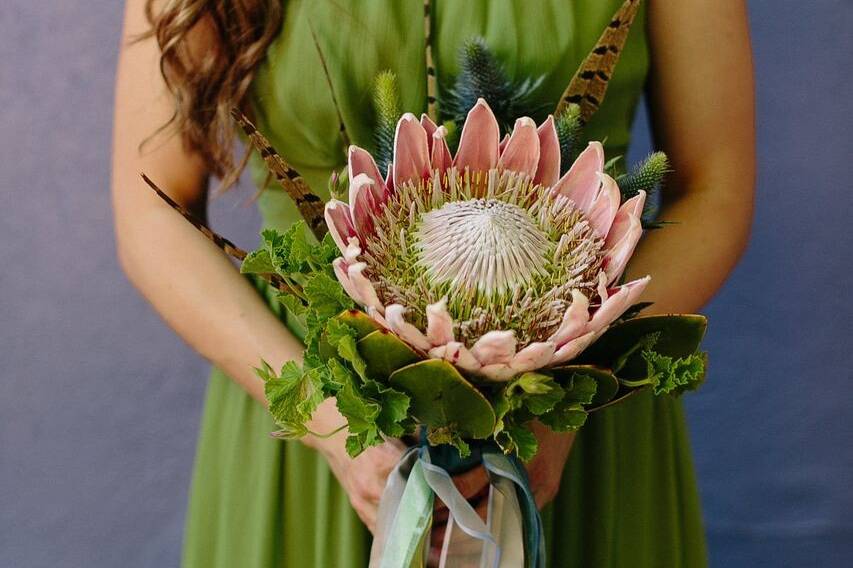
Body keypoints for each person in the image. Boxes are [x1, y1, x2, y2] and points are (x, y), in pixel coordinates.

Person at [112, 1, 754, 566]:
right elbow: (152, 209)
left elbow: (715, 189)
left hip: (575, 410)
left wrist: (565, 407)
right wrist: (330, 422)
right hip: (311, 391)